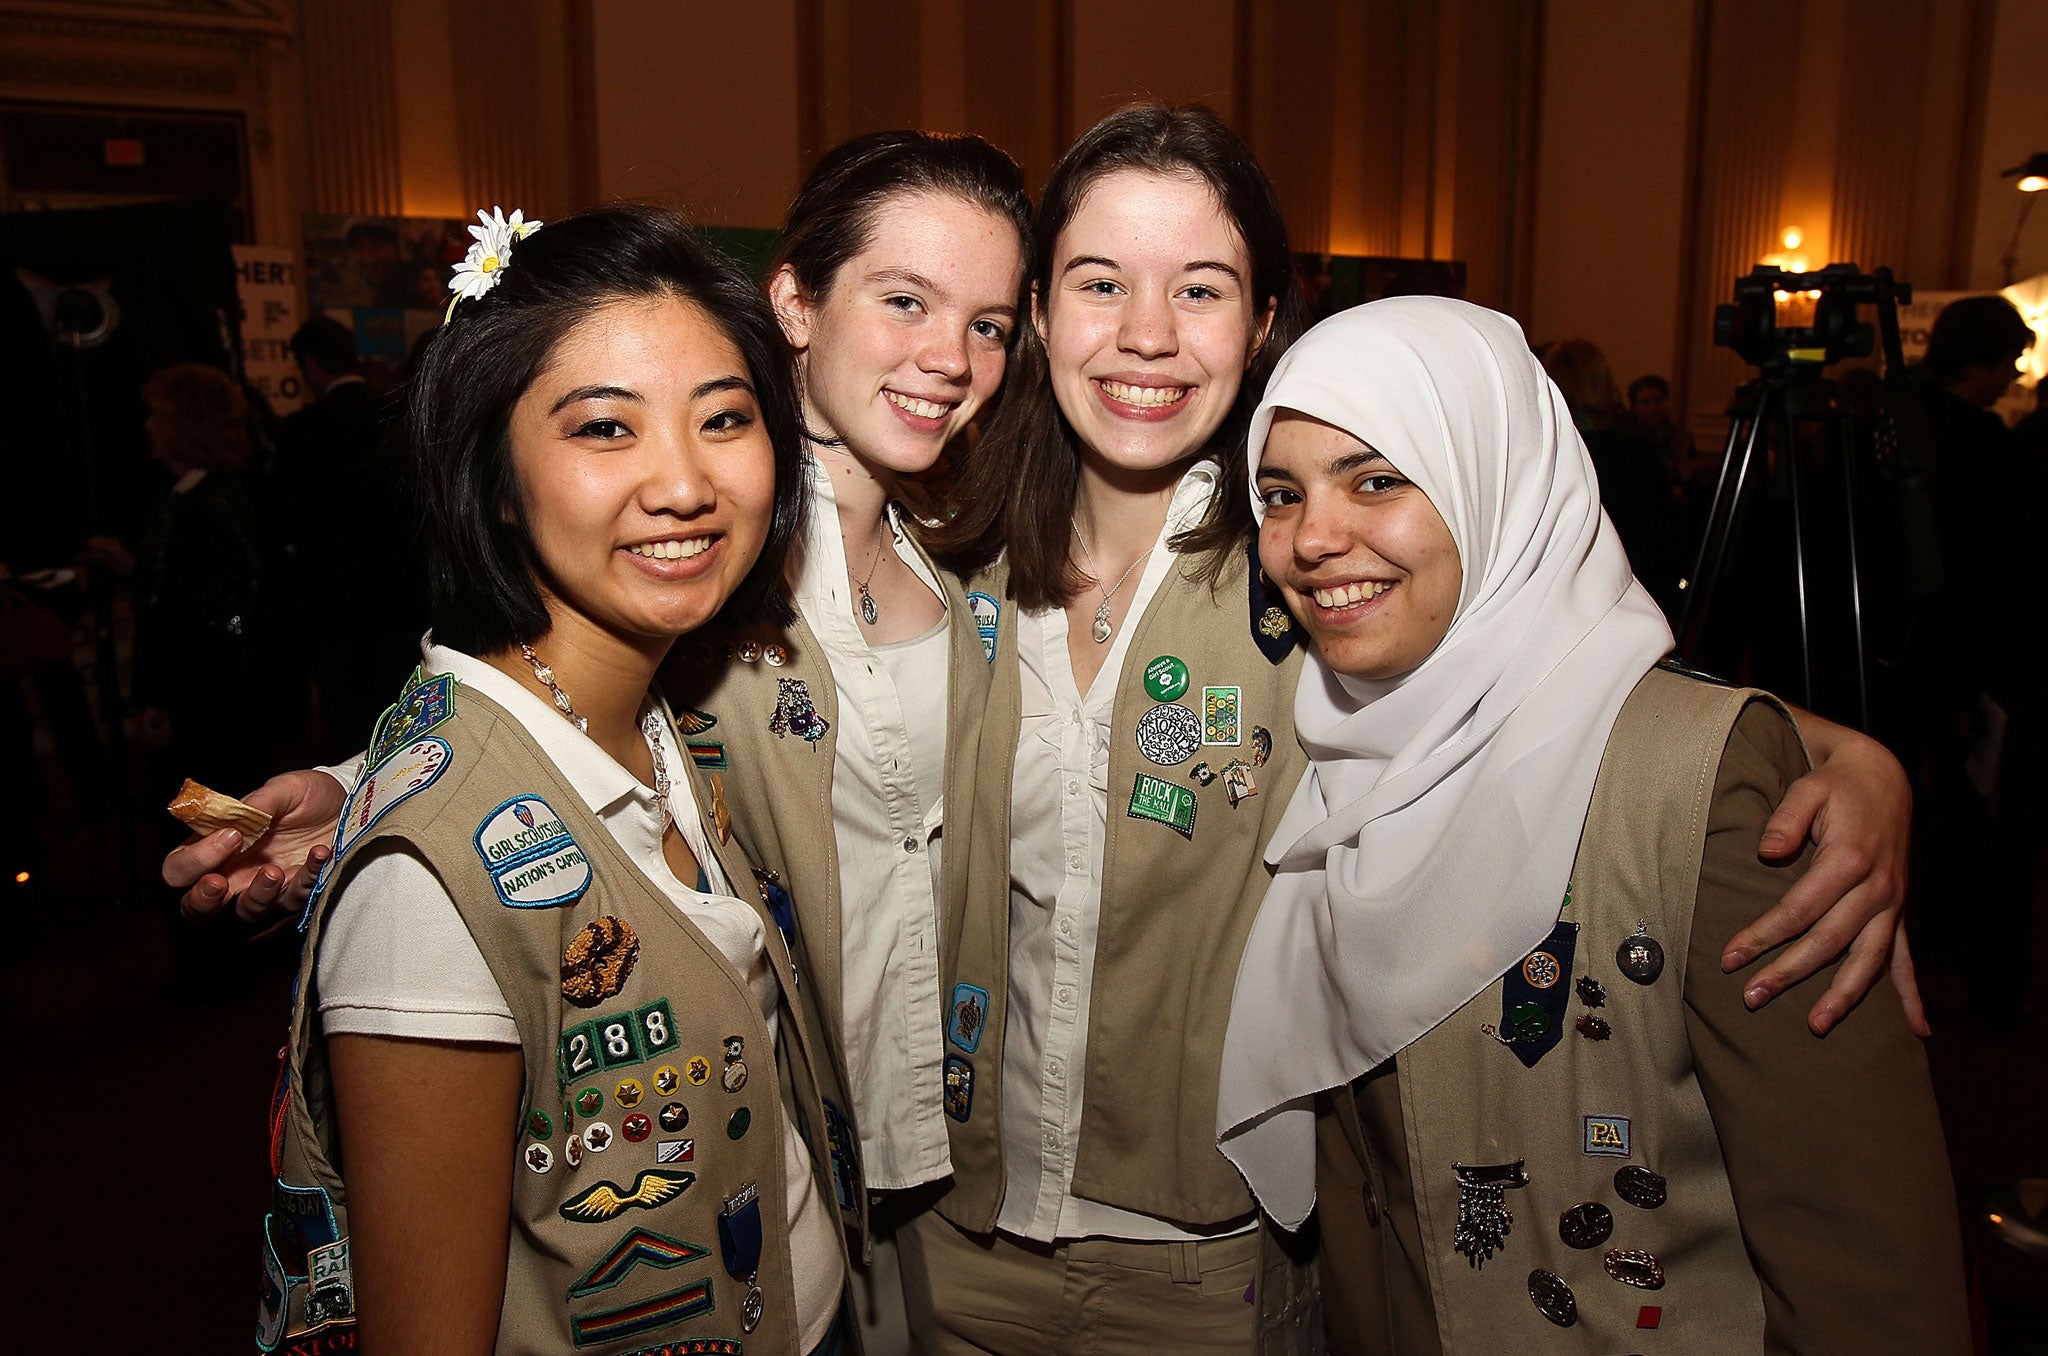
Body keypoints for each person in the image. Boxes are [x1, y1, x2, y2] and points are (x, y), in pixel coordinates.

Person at [914, 104, 1920, 1355]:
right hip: (943, 1248)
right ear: (1039, 310)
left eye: (1202, 287)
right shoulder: (940, 575)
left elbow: (1570, 681)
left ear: (1266, 321)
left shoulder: (1310, 581)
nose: (1145, 336)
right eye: (1098, 282)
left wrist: (1849, 758)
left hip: (1214, 1272)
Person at [1221, 296, 1968, 1353]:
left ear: (1500, 484)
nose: (1311, 538)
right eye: (1280, 493)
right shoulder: (1330, 749)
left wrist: (1839, 757)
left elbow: (1861, 1258)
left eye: (1377, 479)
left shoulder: (1704, 789)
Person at [257, 204, 857, 1355]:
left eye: (723, 418)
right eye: (603, 430)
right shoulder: (424, 898)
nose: (684, 484)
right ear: (490, 475)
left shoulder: (661, 706)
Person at [663, 130, 1031, 1344]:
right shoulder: (700, 550)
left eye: (986, 323)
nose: (949, 359)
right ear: (795, 300)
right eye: (905, 302)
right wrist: (352, 786)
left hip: (932, 1158)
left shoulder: (957, 564)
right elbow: (557, 705)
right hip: (765, 1166)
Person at [271, 315, 421, 755]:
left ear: (311, 363)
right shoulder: (395, 416)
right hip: (403, 601)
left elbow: (285, 519)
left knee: (349, 731)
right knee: (403, 729)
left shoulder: (304, 429)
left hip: (335, 607)